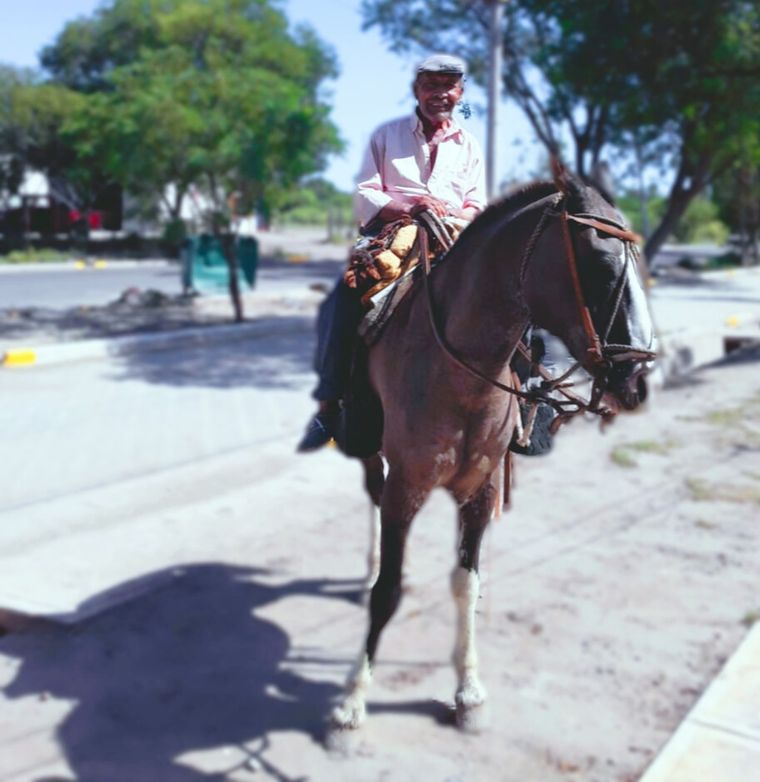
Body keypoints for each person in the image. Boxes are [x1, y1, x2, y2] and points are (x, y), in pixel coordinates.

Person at [297, 53, 487, 452]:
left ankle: (530, 400)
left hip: (452, 239)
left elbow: (476, 204)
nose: (440, 93)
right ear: (417, 90)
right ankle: (329, 407)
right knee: (342, 301)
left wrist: (452, 213)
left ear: (461, 92)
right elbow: (366, 191)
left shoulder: (469, 145)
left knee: (509, 291)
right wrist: (410, 207)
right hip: (392, 235)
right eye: (431, 85)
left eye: (448, 86)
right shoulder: (387, 135)